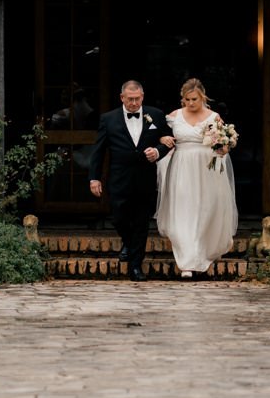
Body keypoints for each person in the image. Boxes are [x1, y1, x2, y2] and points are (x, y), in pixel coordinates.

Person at [88, 79, 172, 280]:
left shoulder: (156, 115)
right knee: (119, 217)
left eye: (137, 99)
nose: (134, 103)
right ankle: (129, 243)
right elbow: (98, 152)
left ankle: (136, 267)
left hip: (145, 177)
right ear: (122, 98)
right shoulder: (108, 119)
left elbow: (169, 140)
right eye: (130, 99)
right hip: (119, 177)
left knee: (142, 222)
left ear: (142, 97)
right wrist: (94, 178)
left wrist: (158, 152)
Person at [155, 77, 237, 279]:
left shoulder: (214, 116)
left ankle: (201, 252)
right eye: (187, 100)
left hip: (206, 169)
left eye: (194, 99)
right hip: (182, 167)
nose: (190, 103)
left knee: (205, 208)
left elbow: (222, 143)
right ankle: (187, 262)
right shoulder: (174, 116)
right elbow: (158, 134)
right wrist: (162, 138)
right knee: (184, 209)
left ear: (202, 97)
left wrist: (225, 146)